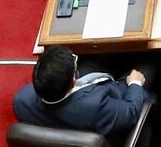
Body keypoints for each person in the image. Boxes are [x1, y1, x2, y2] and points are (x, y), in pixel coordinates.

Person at [13, 46, 152, 139]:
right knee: (152, 60)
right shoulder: (96, 108)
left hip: (80, 106)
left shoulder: (21, 100)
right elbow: (130, 112)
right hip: (118, 95)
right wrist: (135, 84)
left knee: (97, 57)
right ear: (73, 80)